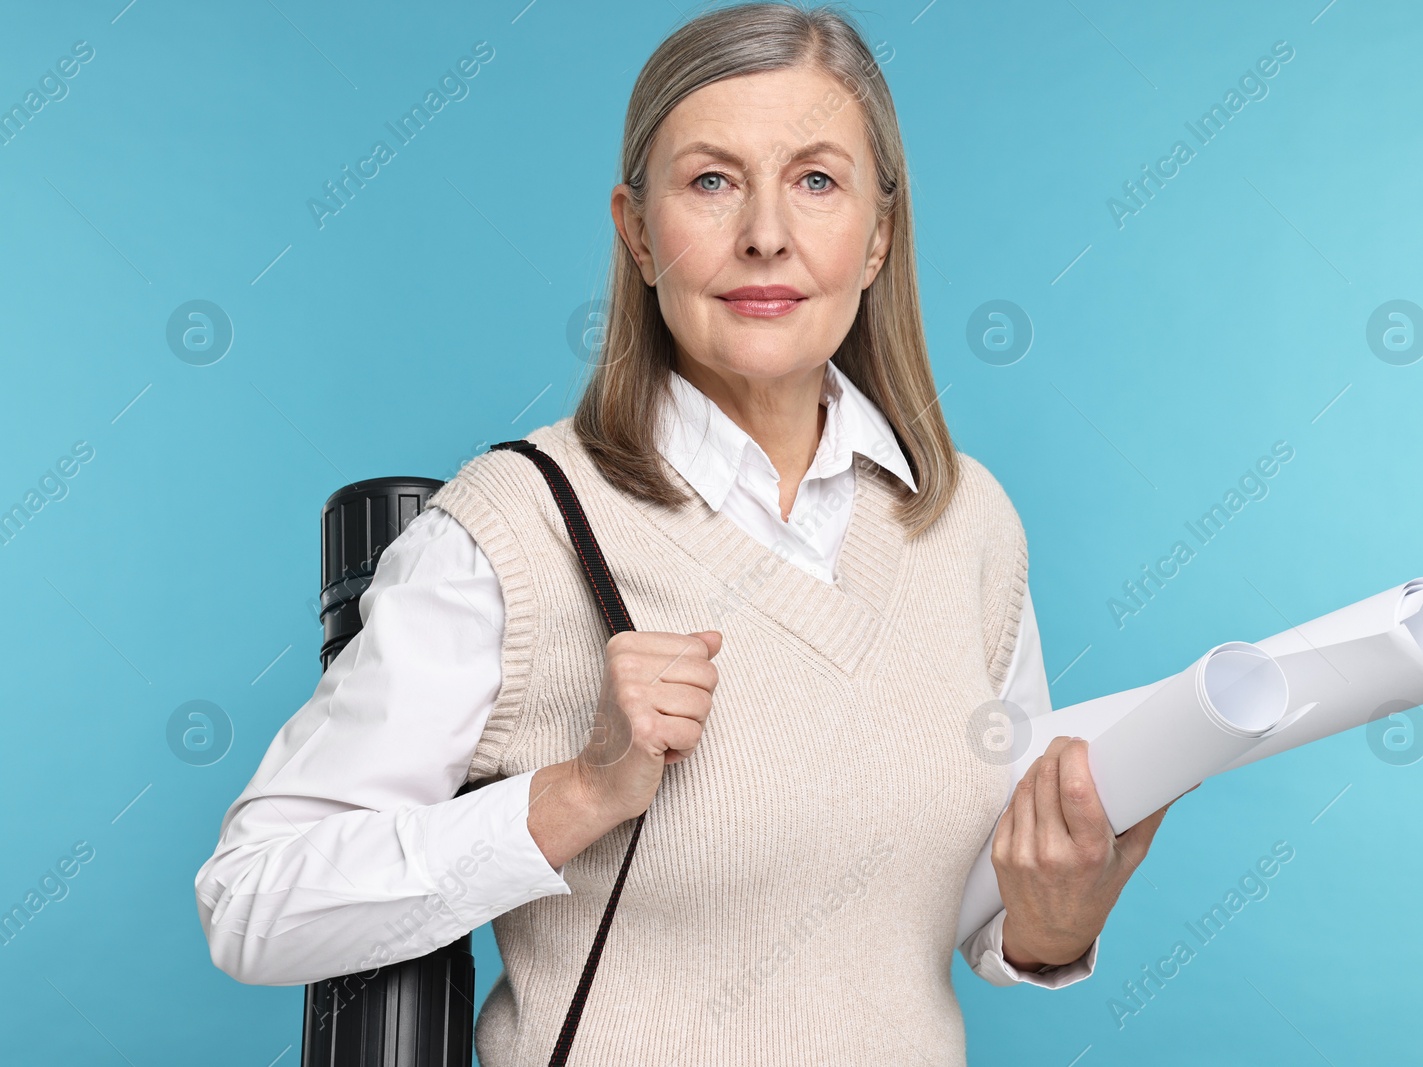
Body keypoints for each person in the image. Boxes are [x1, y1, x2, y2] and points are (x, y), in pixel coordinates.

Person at [195, 3, 1177, 1062]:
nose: (766, 232)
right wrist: (576, 793)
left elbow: (970, 912)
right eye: (712, 180)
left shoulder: (967, 522)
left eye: (816, 180)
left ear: (879, 233)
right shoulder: (513, 529)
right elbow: (252, 900)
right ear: (636, 228)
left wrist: (1058, 917)